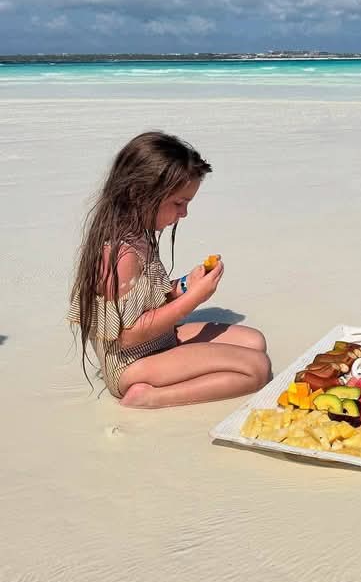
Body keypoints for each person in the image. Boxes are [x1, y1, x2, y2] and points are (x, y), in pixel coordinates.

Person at [69, 131, 271, 408]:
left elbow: (147, 298)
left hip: (158, 342)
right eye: (178, 203)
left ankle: (169, 375)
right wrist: (194, 299)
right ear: (139, 194)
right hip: (131, 364)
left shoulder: (139, 233)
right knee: (256, 369)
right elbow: (127, 336)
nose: (184, 214)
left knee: (255, 342)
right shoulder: (120, 254)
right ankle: (150, 396)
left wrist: (186, 284)